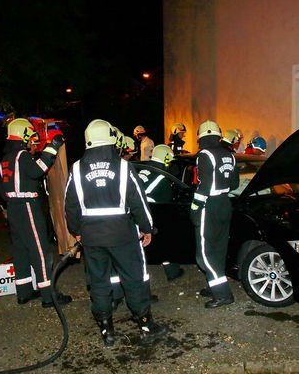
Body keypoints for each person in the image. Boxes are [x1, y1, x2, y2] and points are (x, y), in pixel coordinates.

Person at [65, 119, 167, 346]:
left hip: (92, 236)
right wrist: (147, 228)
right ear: (111, 138)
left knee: (98, 282)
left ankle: (106, 331)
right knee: (134, 279)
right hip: (123, 234)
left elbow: (70, 204)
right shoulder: (123, 166)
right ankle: (146, 326)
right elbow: (138, 201)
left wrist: (76, 231)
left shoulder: (77, 168)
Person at [0, 118, 72, 308]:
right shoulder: (21, 155)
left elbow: (2, 189)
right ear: (23, 135)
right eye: (30, 137)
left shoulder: (6, 158)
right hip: (27, 206)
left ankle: (24, 292)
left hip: (13, 207)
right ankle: (49, 296)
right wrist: (52, 147)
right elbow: (37, 171)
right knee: (40, 250)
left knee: (21, 250)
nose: (32, 141)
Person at [190, 120, 239, 308]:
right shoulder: (230, 155)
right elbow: (234, 184)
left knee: (204, 254)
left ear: (201, 137)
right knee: (219, 250)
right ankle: (214, 285)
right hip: (225, 204)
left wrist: (195, 208)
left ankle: (223, 294)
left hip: (209, 206)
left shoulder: (204, 155)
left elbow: (204, 186)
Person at [138, 144, 185, 281]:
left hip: (134, 213)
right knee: (168, 238)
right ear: (166, 159)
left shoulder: (144, 169)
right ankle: (173, 272)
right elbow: (166, 204)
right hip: (147, 215)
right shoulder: (162, 178)